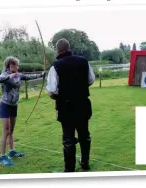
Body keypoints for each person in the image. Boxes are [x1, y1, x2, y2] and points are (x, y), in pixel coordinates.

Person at [46, 38, 95, 172]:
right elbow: (91, 80)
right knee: (84, 135)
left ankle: (69, 169)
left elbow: (52, 90)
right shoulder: (83, 61)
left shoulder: (56, 65)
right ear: (68, 48)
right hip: (83, 105)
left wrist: (53, 95)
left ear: (57, 49)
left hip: (66, 108)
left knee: (68, 139)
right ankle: (85, 163)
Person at [0, 56, 46, 166]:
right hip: (5, 105)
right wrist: (10, 76)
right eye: (15, 65)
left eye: (17, 65)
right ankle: (2, 157)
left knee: (11, 130)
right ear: (9, 65)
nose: (17, 67)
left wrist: (41, 75)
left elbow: (28, 76)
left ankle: (12, 151)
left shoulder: (18, 75)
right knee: (6, 130)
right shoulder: (5, 74)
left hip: (14, 105)